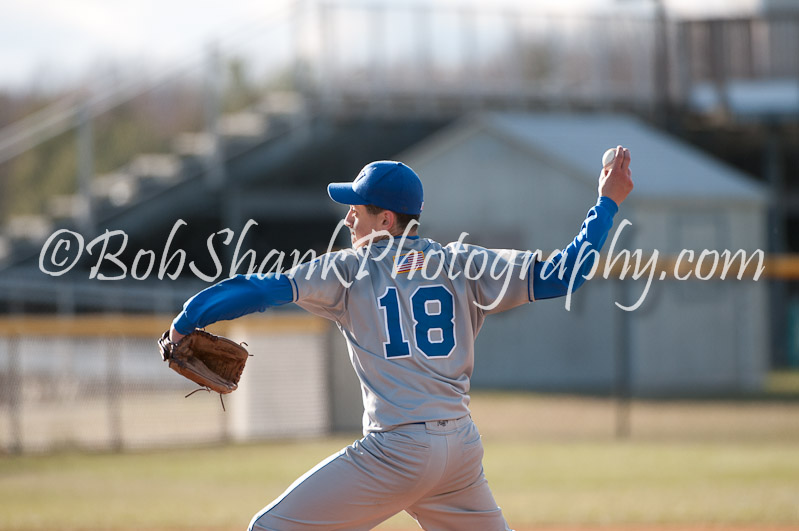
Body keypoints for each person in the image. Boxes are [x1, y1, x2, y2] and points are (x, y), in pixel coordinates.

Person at [169, 149, 633, 531]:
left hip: (397, 451)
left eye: (357, 207)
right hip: (460, 454)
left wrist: (187, 320)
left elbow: (259, 288)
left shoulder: (346, 271)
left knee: (268, 530)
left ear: (386, 219)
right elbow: (564, 276)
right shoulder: (461, 262)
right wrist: (607, 202)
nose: (348, 217)